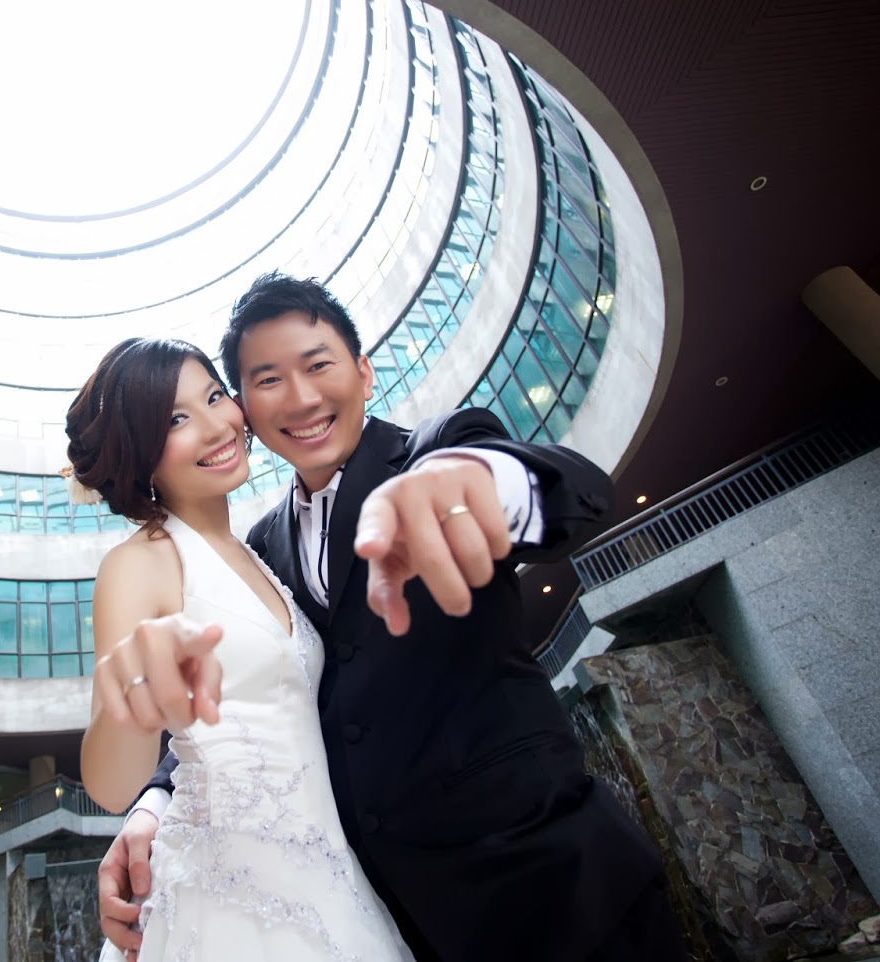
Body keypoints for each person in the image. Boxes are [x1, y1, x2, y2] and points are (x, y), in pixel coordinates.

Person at [96, 273, 688, 962]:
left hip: (555, 894)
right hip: (390, 922)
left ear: (364, 371)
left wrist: (485, 485)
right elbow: (241, 701)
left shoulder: (437, 452)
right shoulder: (260, 551)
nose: (302, 397)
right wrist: (154, 802)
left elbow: (572, 492)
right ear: (248, 407)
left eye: (318, 365)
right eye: (268, 379)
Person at [68, 337, 414, 961]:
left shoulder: (263, 553)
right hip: (225, 900)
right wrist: (134, 698)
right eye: (176, 419)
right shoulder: (139, 564)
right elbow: (112, 785)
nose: (214, 426)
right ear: (141, 453)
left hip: (333, 878)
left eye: (213, 397)